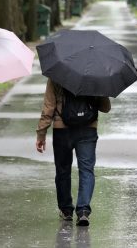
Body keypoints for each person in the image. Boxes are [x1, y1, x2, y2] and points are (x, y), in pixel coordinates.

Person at [36, 79, 111, 226]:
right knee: (86, 170)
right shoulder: (95, 74)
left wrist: (41, 133)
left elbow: (48, 107)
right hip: (88, 128)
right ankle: (83, 210)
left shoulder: (56, 75)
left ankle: (66, 210)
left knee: (63, 170)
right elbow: (105, 107)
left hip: (61, 130)